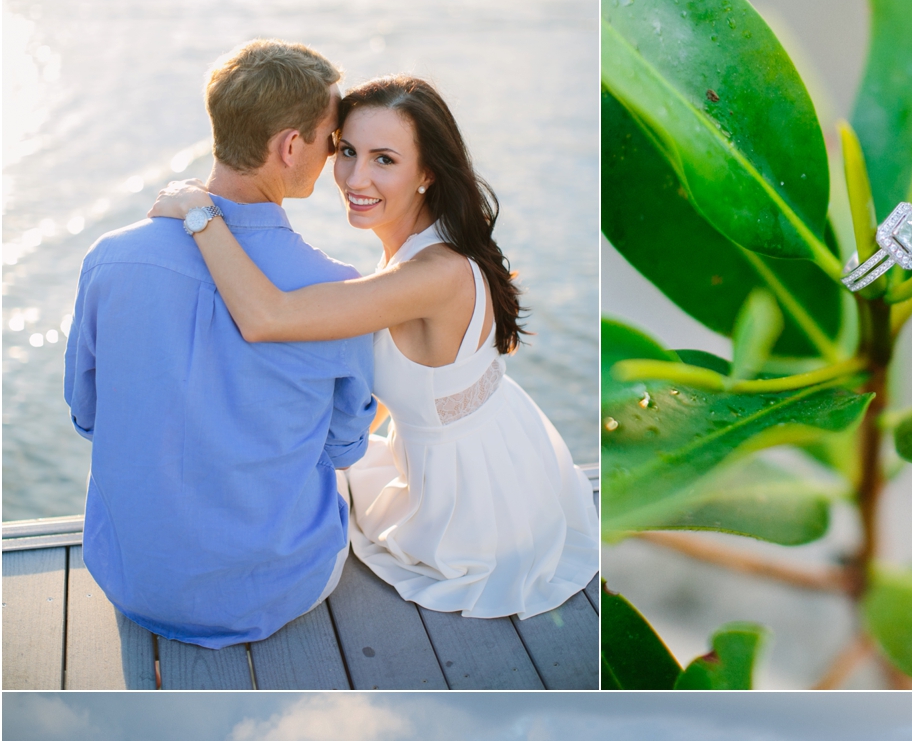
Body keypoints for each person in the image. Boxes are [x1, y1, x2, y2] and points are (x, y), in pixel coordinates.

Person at [149, 76, 599, 621]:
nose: (355, 177)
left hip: (469, 509)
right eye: (346, 151)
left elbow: (268, 317)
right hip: (501, 455)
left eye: (384, 159)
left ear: (427, 173)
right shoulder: (427, 248)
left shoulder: (434, 274)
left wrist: (200, 213)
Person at [64, 39, 375, 647]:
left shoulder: (108, 259)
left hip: (131, 579)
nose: (334, 156)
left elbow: (86, 413)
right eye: (332, 140)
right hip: (279, 588)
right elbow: (345, 448)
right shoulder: (337, 289)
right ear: (291, 147)